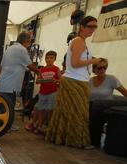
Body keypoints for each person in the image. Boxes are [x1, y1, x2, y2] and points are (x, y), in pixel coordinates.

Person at [45, 16, 101, 149]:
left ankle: (63, 138)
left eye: (95, 27)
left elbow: (75, 61)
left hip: (76, 80)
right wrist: (93, 61)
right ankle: (76, 140)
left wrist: (91, 60)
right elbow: (75, 63)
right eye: (90, 26)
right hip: (75, 81)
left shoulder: (80, 41)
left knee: (68, 112)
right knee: (79, 113)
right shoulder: (78, 41)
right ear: (82, 26)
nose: (92, 29)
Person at [0, 31, 39, 112]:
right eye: (29, 42)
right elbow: (30, 66)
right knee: (8, 110)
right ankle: (1, 124)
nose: (29, 45)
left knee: (2, 108)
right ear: (26, 41)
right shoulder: (21, 49)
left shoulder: (10, 48)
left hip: (4, 84)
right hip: (10, 86)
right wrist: (40, 73)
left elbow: (1, 66)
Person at [88, 58, 127, 147]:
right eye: (99, 68)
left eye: (104, 68)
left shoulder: (111, 79)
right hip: (92, 107)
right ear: (94, 69)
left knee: (96, 109)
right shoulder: (90, 81)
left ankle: (94, 141)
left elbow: (124, 92)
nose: (102, 70)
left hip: (105, 108)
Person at [25, 51, 61, 134]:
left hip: (52, 92)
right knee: (41, 109)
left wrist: (56, 80)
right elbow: (37, 81)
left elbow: (61, 79)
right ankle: (39, 126)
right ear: (45, 59)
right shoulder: (42, 70)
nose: (49, 59)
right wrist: (40, 80)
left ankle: (50, 127)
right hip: (42, 92)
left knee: (50, 110)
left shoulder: (56, 69)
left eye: (51, 58)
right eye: (47, 58)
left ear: (54, 59)